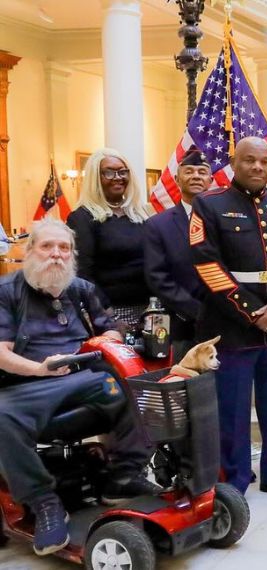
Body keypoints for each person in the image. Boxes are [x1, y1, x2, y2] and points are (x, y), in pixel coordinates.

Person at [0, 220, 161, 556]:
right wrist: (40, 369)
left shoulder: (82, 290)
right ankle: (44, 503)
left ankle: (123, 475)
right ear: (30, 251)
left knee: (140, 382)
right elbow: (1, 354)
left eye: (64, 248)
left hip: (84, 376)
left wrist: (105, 344)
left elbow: (110, 331)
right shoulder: (8, 292)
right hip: (26, 385)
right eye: (47, 247)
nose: (56, 255)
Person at [190, 137, 267, 497]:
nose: (257, 167)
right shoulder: (208, 205)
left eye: (264, 161)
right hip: (231, 328)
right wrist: (251, 312)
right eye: (249, 161)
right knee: (232, 408)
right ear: (234, 162)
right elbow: (207, 264)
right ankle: (234, 480)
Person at [66, 147, 151, 331]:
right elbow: (82, 273)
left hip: (149, 310)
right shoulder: (82, 217)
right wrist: (107, 314)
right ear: (95, 178)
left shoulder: (140, 215)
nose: (118, 177)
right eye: (109, 173)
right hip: (110, 312)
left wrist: (155, 307)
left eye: (122, 171)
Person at [143, 147, 209, 361]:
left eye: (202, 171)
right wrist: (195, 311)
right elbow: (157, 277)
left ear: (210, 179)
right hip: (181, 325)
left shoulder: (227, 221)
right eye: (189, 171)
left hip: (224, 322)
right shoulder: (158, 225)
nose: (196, 176)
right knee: (183, 386)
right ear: (177, 179)